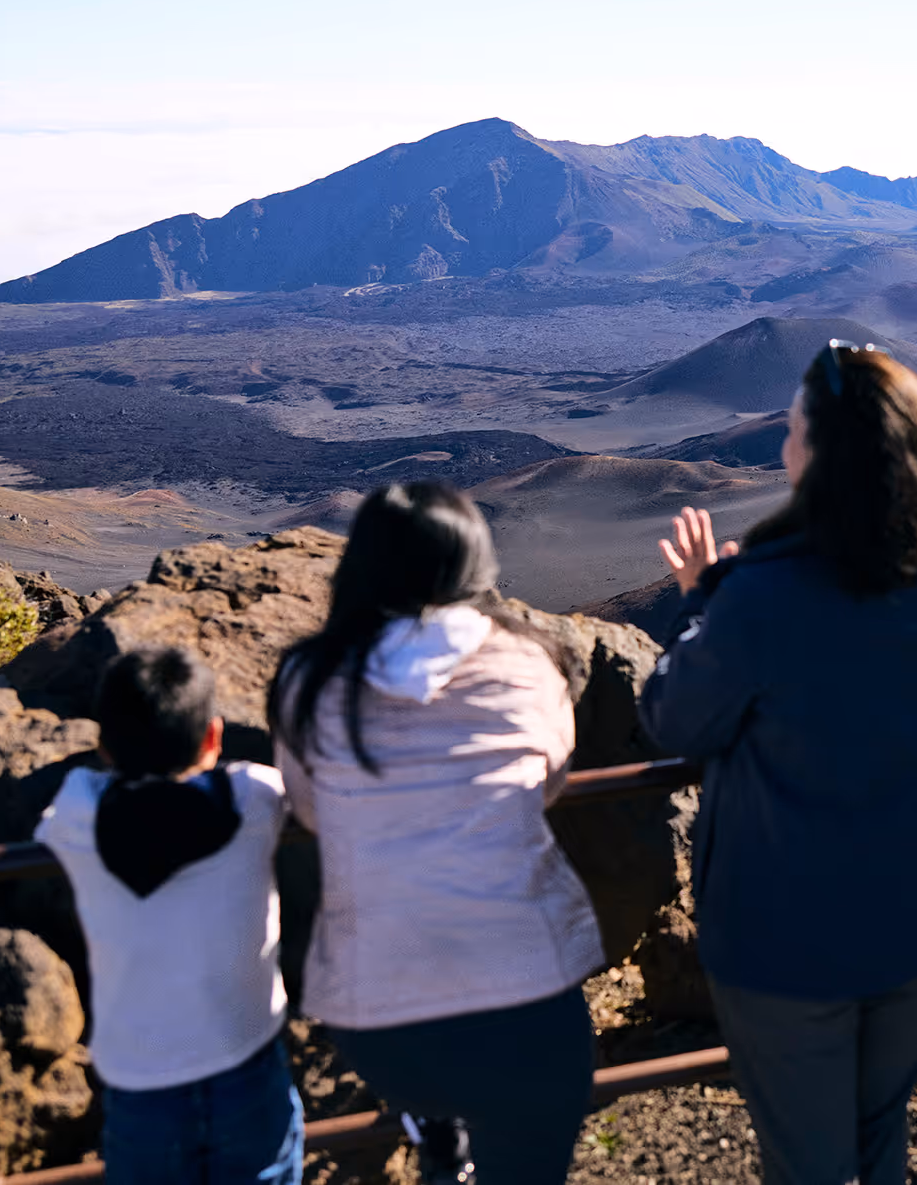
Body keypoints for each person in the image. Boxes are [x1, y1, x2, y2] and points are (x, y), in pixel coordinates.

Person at [639, 340, 917, 1185]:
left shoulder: (765, 598)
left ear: (827, 454)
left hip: (786, 944)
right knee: (878, 1135)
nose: (782, 449)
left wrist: (705, 600)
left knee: (807, 1164)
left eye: (795, 431)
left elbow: (674, 718)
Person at [270, 482, 603, 1185]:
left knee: (437, 1100)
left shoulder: (309, 680)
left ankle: (440, 1141)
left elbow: (306, 809)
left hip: (385, 1022)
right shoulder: (531, 662)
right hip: (529, 1007)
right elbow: (548, 782)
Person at [37, 646, 303, 1185]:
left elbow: (69, 802)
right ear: (213, 737)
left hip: (140, 1082)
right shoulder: (254, 798)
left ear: (104, 746)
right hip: (245, 1061)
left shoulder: (78, 814)